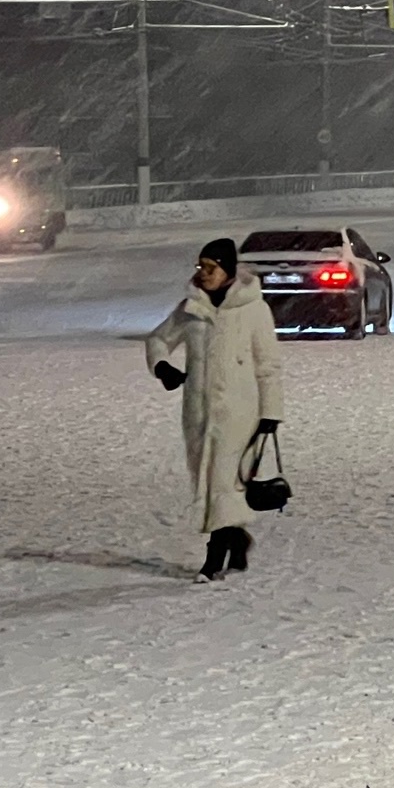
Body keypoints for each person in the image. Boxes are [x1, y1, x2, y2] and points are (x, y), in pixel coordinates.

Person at [145, 238, 283, 581]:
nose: (203, 274)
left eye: (211, 268)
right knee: (207, 480)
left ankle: (215, 557)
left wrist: (270, 413)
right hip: (198, 411)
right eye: (200, 267)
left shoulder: (254, 310)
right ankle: (238, 541)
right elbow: (159, 339)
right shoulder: (191, 308)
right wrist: (162, 367)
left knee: (223, 481)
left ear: (228, 271)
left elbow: (268, 366)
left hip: (240, 411)